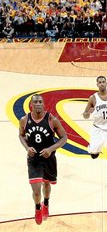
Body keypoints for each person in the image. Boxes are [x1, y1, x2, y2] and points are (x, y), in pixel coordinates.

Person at [18, 94, 67, 224]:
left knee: (46, 184)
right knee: (36, 190)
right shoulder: (24, 120)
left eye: (40, 102)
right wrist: (27, 148)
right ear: (31, 105)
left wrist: (50, 149)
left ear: (44, 104)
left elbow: (64, 138)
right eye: (35, 102)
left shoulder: (52, 120)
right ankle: (38, 208)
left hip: (48, 158)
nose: (38, 104)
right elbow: (21, 135)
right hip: (34, 159)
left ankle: (46, 204)